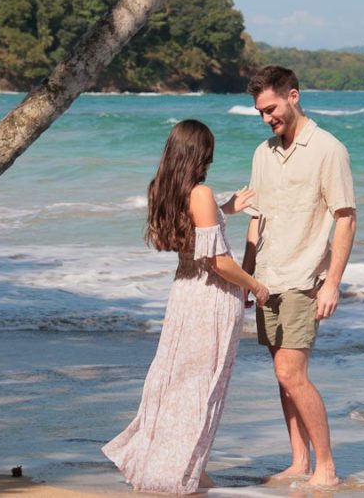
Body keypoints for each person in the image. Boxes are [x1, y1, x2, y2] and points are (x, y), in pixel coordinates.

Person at [102, 119, 270, 494]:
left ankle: (179, 464)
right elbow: (219, 263)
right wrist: (255, 285)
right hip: (210, 298)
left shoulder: (161, 189)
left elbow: (194, 234)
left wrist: (226, 207)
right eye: (208, 154)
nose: (209, 161)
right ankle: (184, 469)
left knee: (176, 380)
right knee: (203, 386)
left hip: (184, 294)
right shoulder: (201, 193)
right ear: (200, 154)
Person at [242, 66, 357, 487]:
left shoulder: (329, 149)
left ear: (293, 95)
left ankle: (326, 466)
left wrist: (333, 282)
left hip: (304, 278)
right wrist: (245, 275)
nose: (266, 118)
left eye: (270, 108)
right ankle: (298, 461)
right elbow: (256, 219)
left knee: (292, 373)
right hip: (266, 280)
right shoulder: (262, 153)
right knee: (281, 375)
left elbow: (345, 218)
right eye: (260, 112)